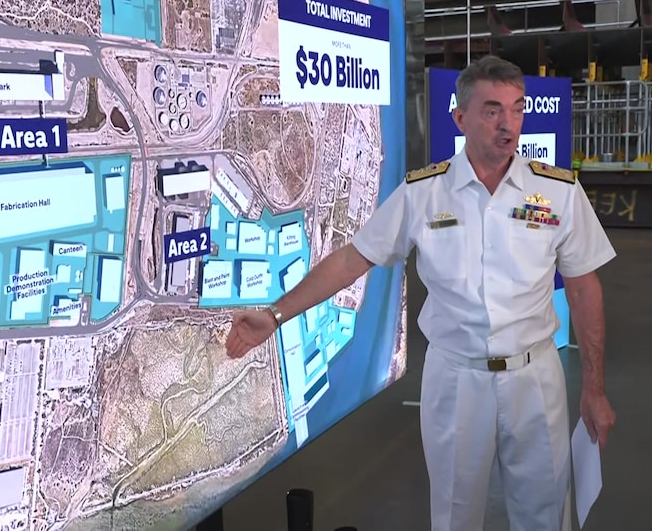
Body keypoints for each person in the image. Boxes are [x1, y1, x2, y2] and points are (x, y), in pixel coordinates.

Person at [224, 55, 617, 531]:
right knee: (454, 516)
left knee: (545, 515)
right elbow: (352, 260)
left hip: (536, 379)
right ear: (460, 118)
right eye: (492, 110)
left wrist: (594, 389)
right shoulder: (423, 193)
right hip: (455, 380)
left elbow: (583, 288)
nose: (508, 124)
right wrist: (276, 314)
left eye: (517, 109)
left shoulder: (558, 192)